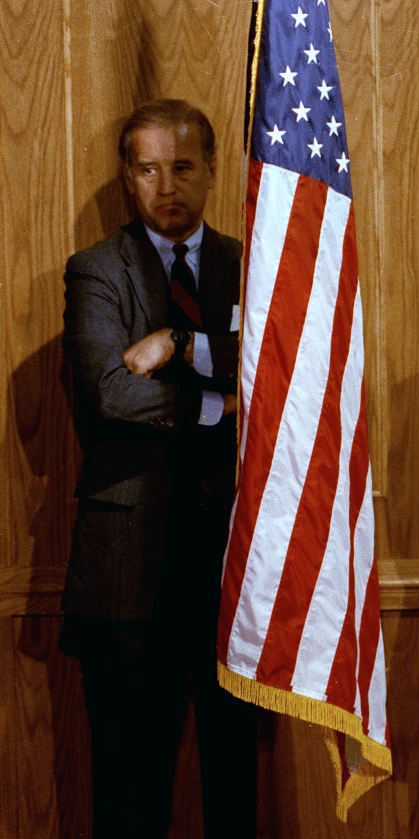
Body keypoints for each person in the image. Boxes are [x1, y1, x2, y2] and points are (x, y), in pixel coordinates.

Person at [60, 99, 255, 837]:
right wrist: (217, 406)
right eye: (147, 170)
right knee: (129, 786)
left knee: (235, 778)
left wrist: (177, 340)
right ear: (126, 176)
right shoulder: (97, 270)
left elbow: (272, 374)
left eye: (182, 167)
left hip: (232, 564)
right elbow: (111, 392)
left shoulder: (250, 264)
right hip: (129, 568)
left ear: (211, 169)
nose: (166, 186)